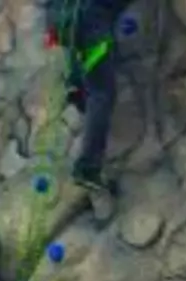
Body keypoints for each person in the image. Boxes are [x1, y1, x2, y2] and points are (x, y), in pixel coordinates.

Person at [45, 0, 131, 196]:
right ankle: (88, 167)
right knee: (102, 93)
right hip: (91, 20)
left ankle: (76, 83)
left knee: (83, 50)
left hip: (60, 18)